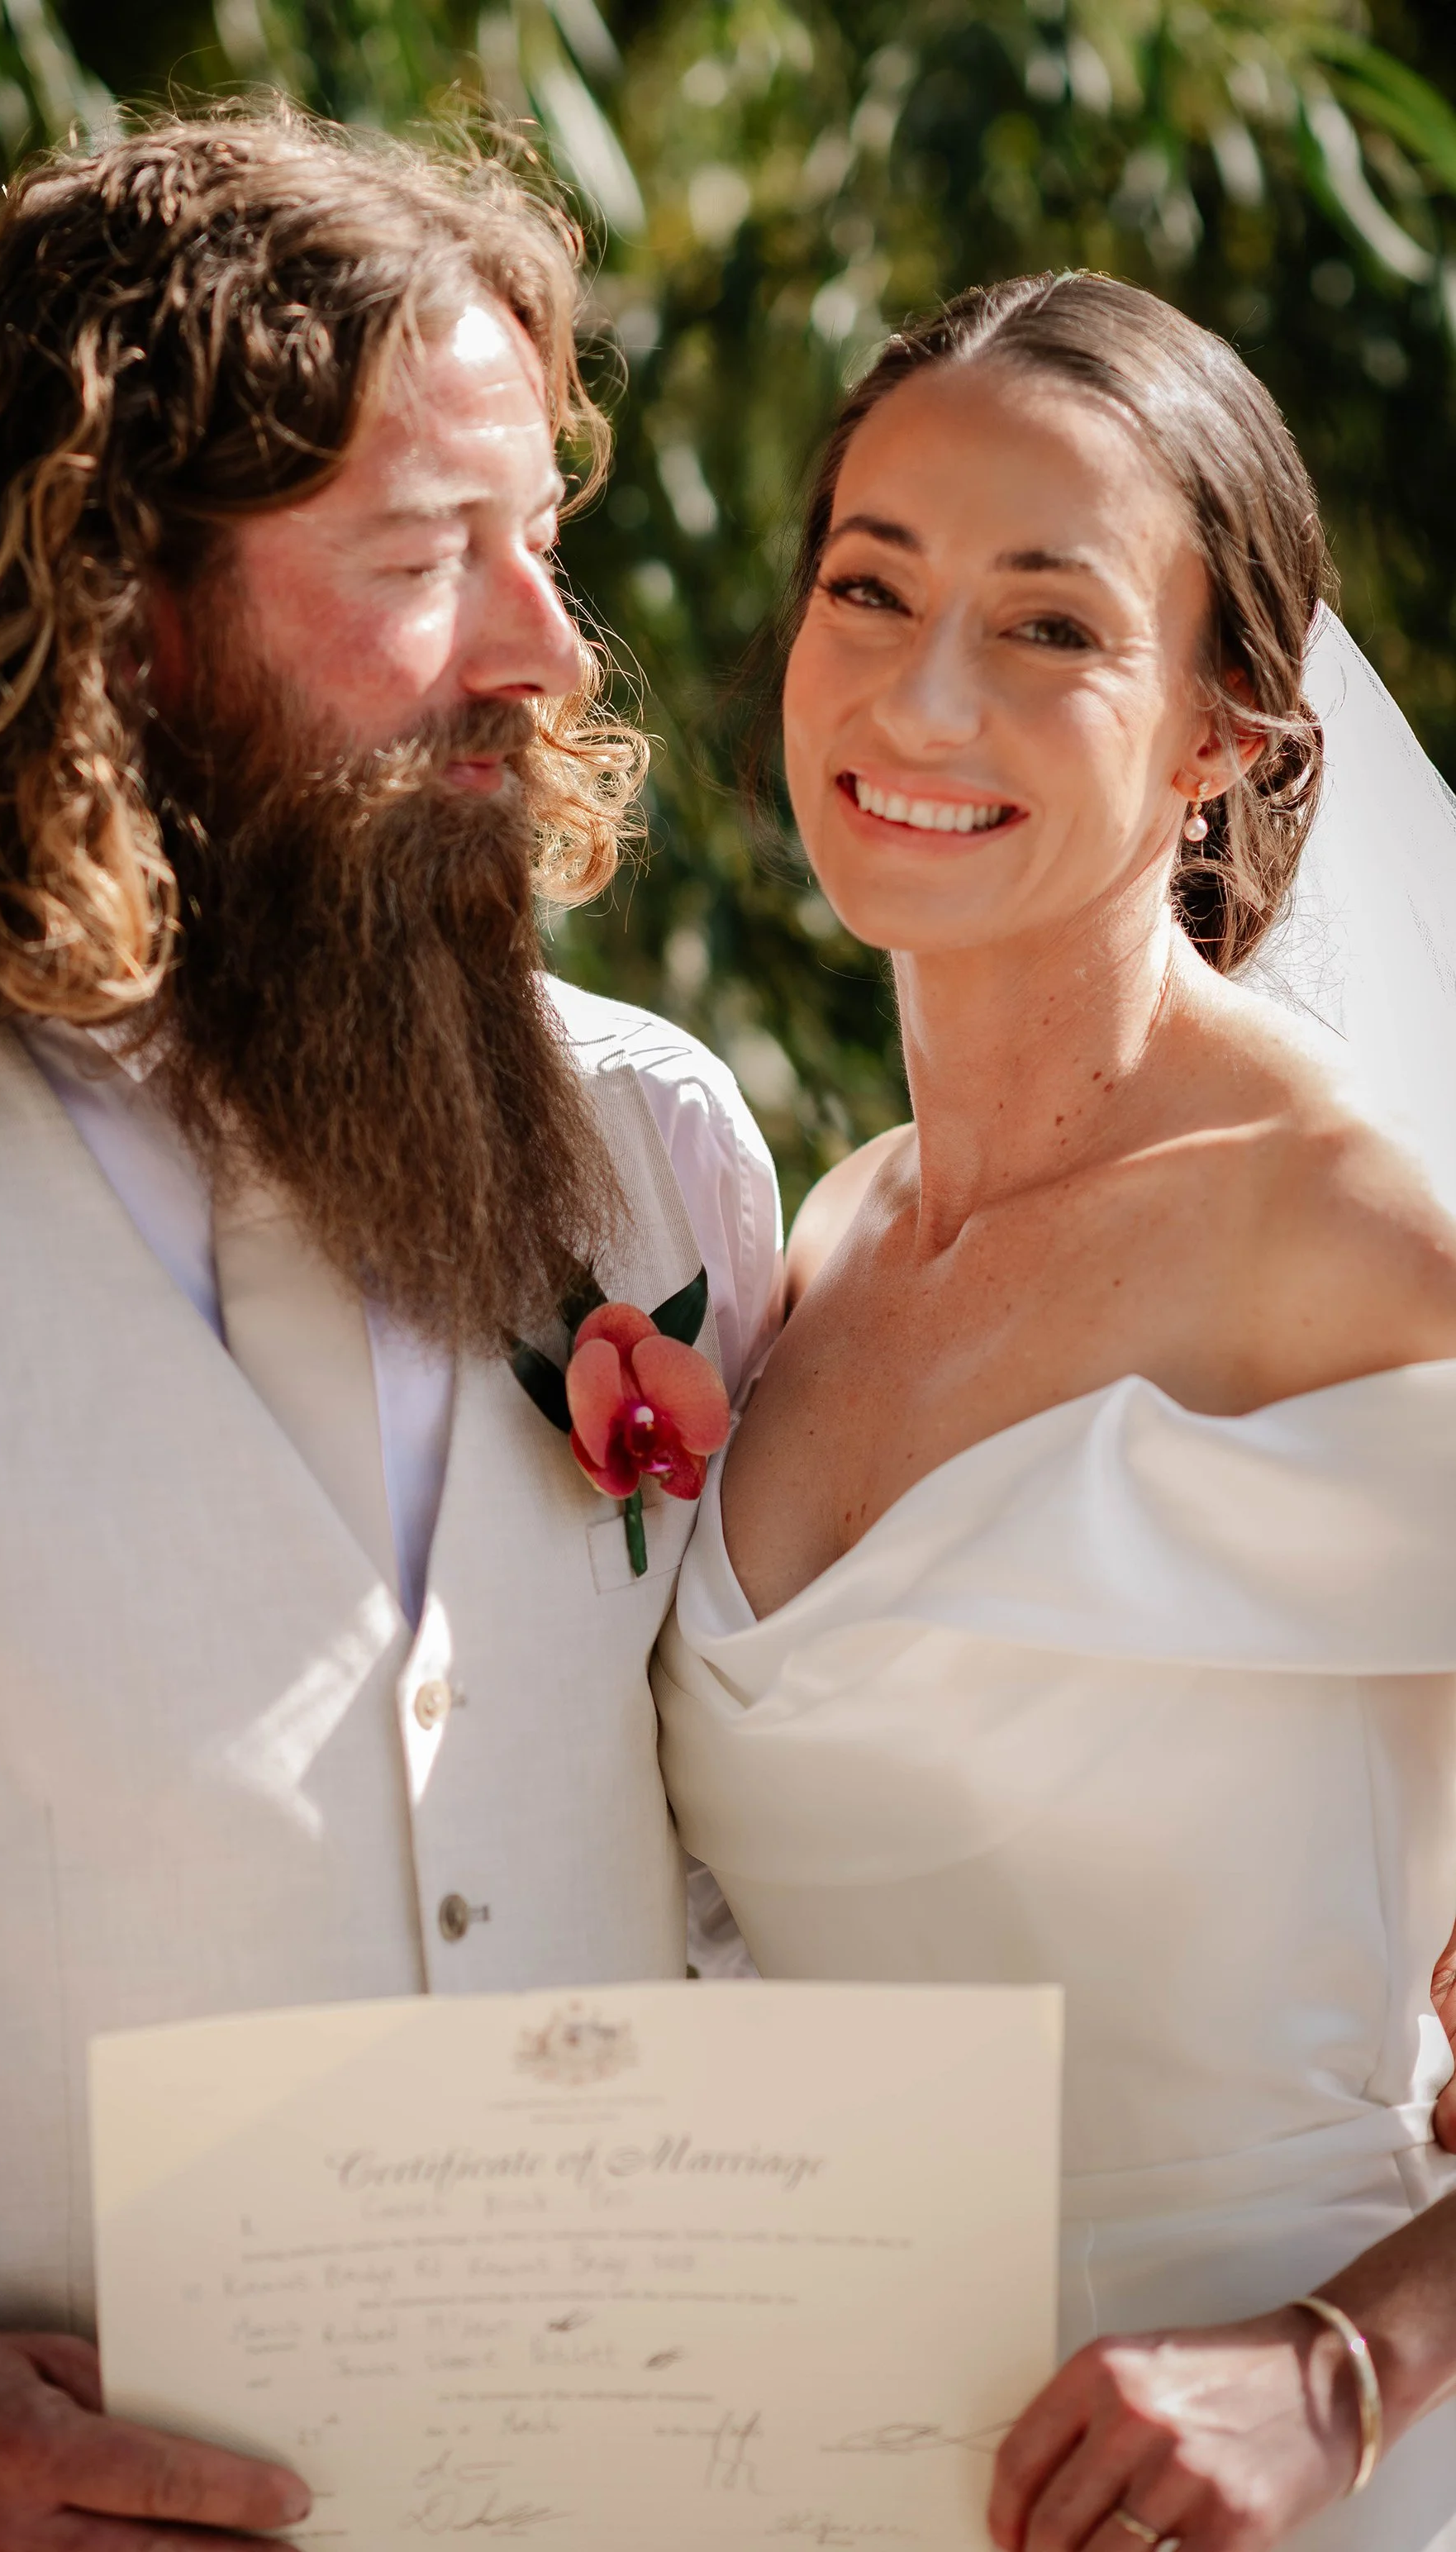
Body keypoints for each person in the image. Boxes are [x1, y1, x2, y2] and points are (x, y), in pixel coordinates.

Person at [0, 112, 781, 2551]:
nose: (545, 649)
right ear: (120, 610)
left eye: (545, 542)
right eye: (430, 561)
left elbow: (768, 1850)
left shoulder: (658, 1151)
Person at [654, 270, 1456, 2552]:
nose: (919, 694)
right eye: (869, 586)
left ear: (1226, 729)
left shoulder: (1344, 1233)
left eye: (1049, 628)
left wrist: (1348, 2367)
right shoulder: (817, 1238)